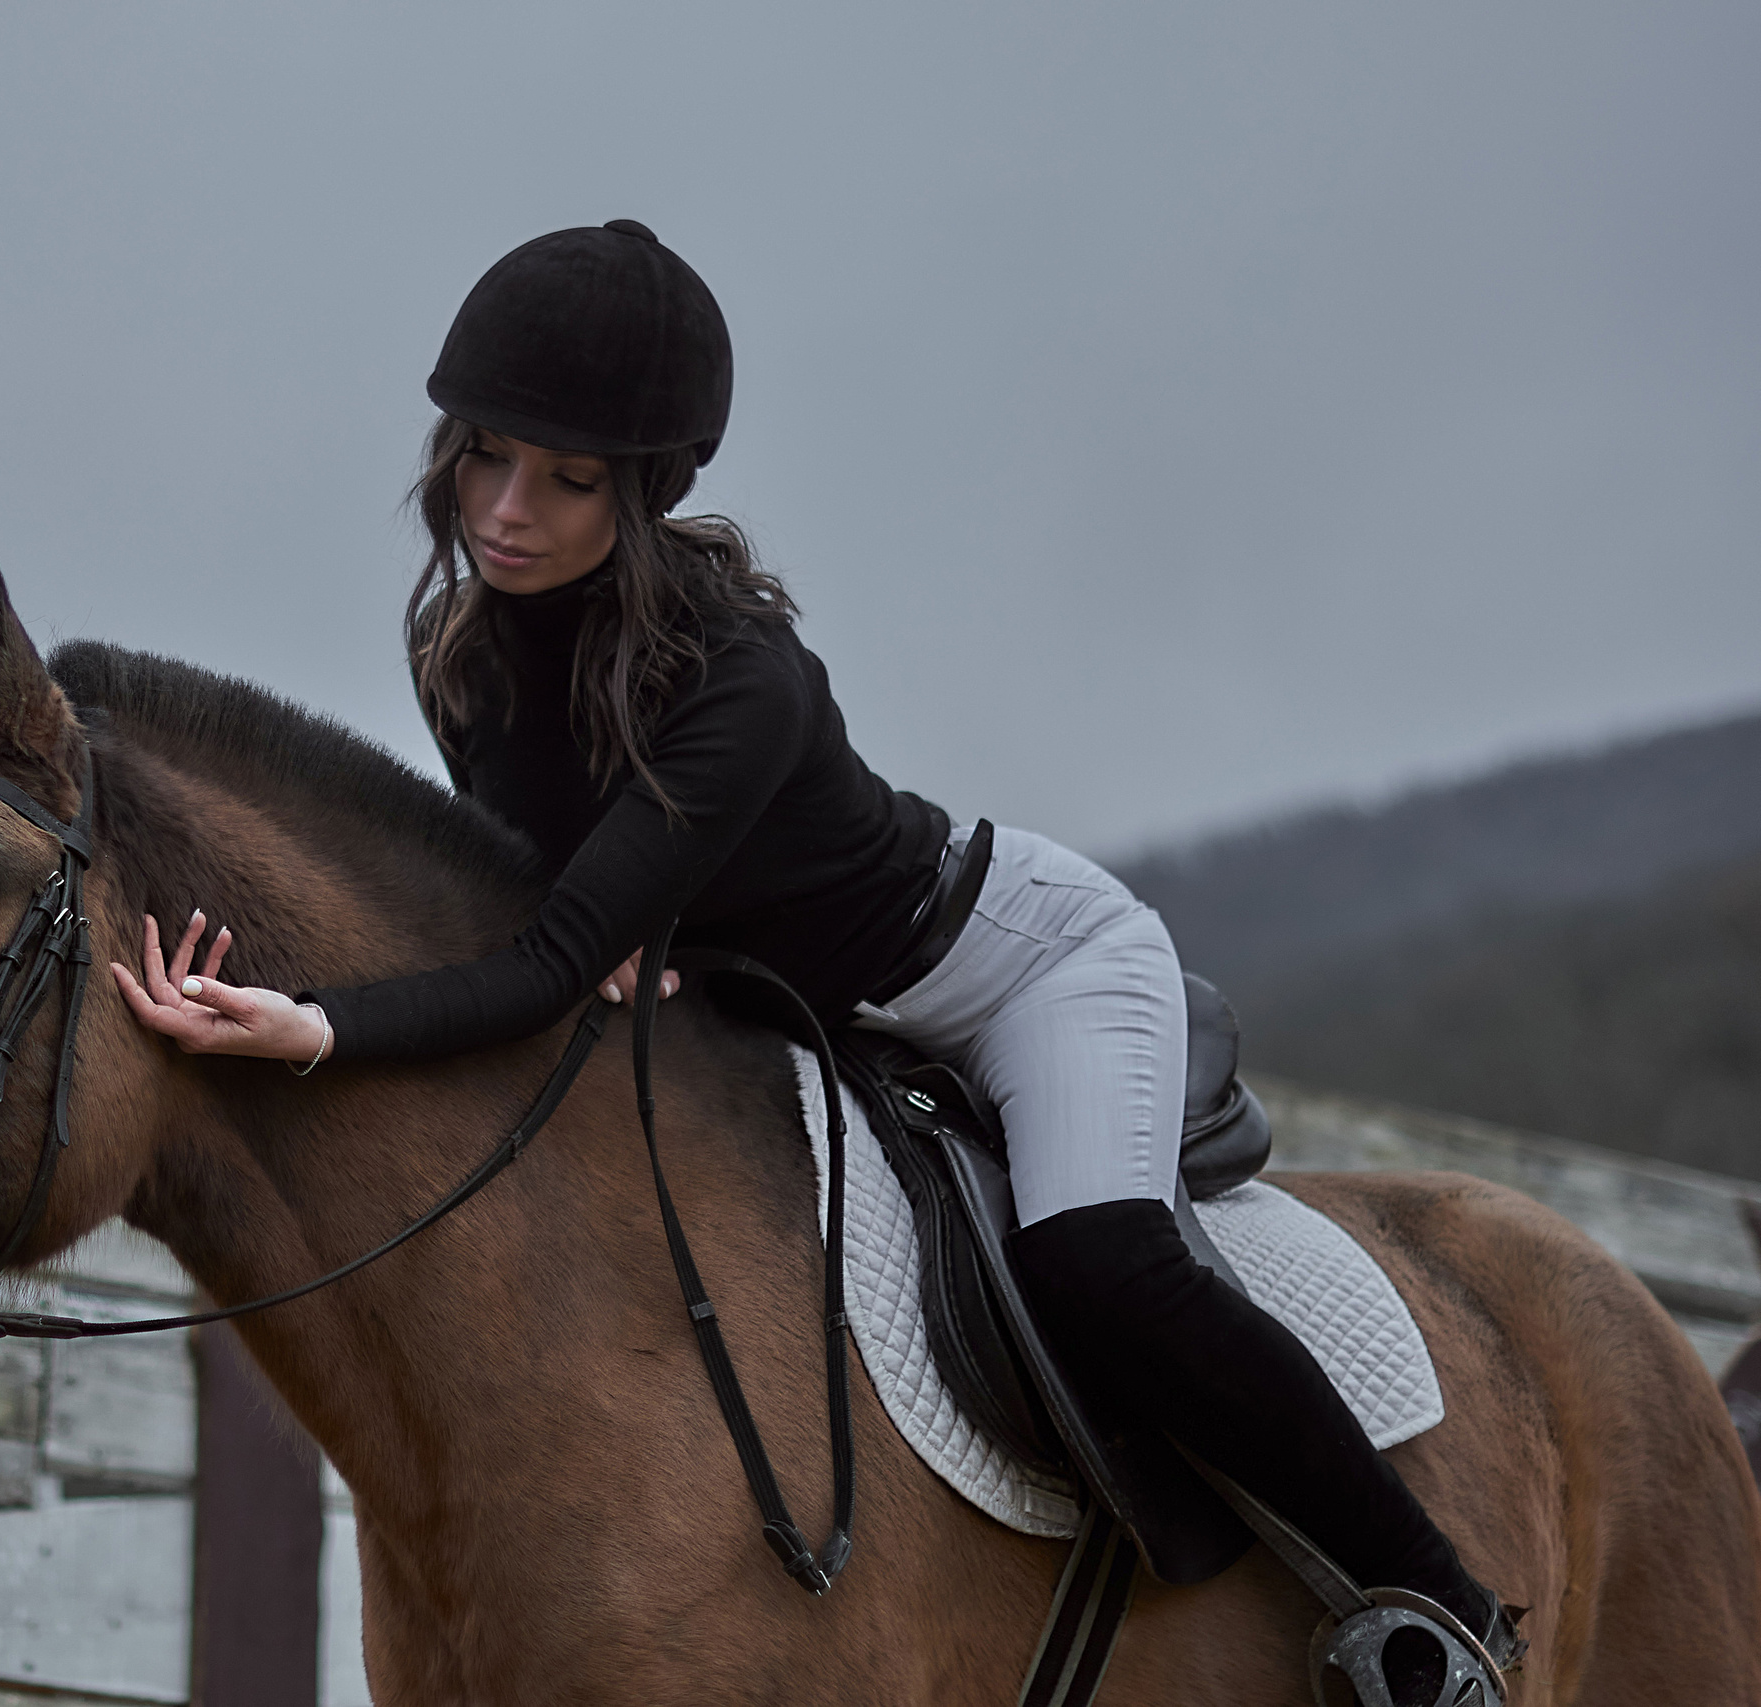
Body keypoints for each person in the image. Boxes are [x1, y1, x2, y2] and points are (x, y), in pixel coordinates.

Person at [108, 219, 1518, 1683]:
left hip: (1012, 971)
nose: (507, 510)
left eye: (569, 480)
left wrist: (318, 1027)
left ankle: (1436, 1611)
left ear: (646, 492)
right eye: (484, 456)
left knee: (1098, 1256)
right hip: (793, 1012)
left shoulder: (743, 679)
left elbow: (541, 966)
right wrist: (628, 938)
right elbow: (542, 921)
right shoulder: (458, 652)